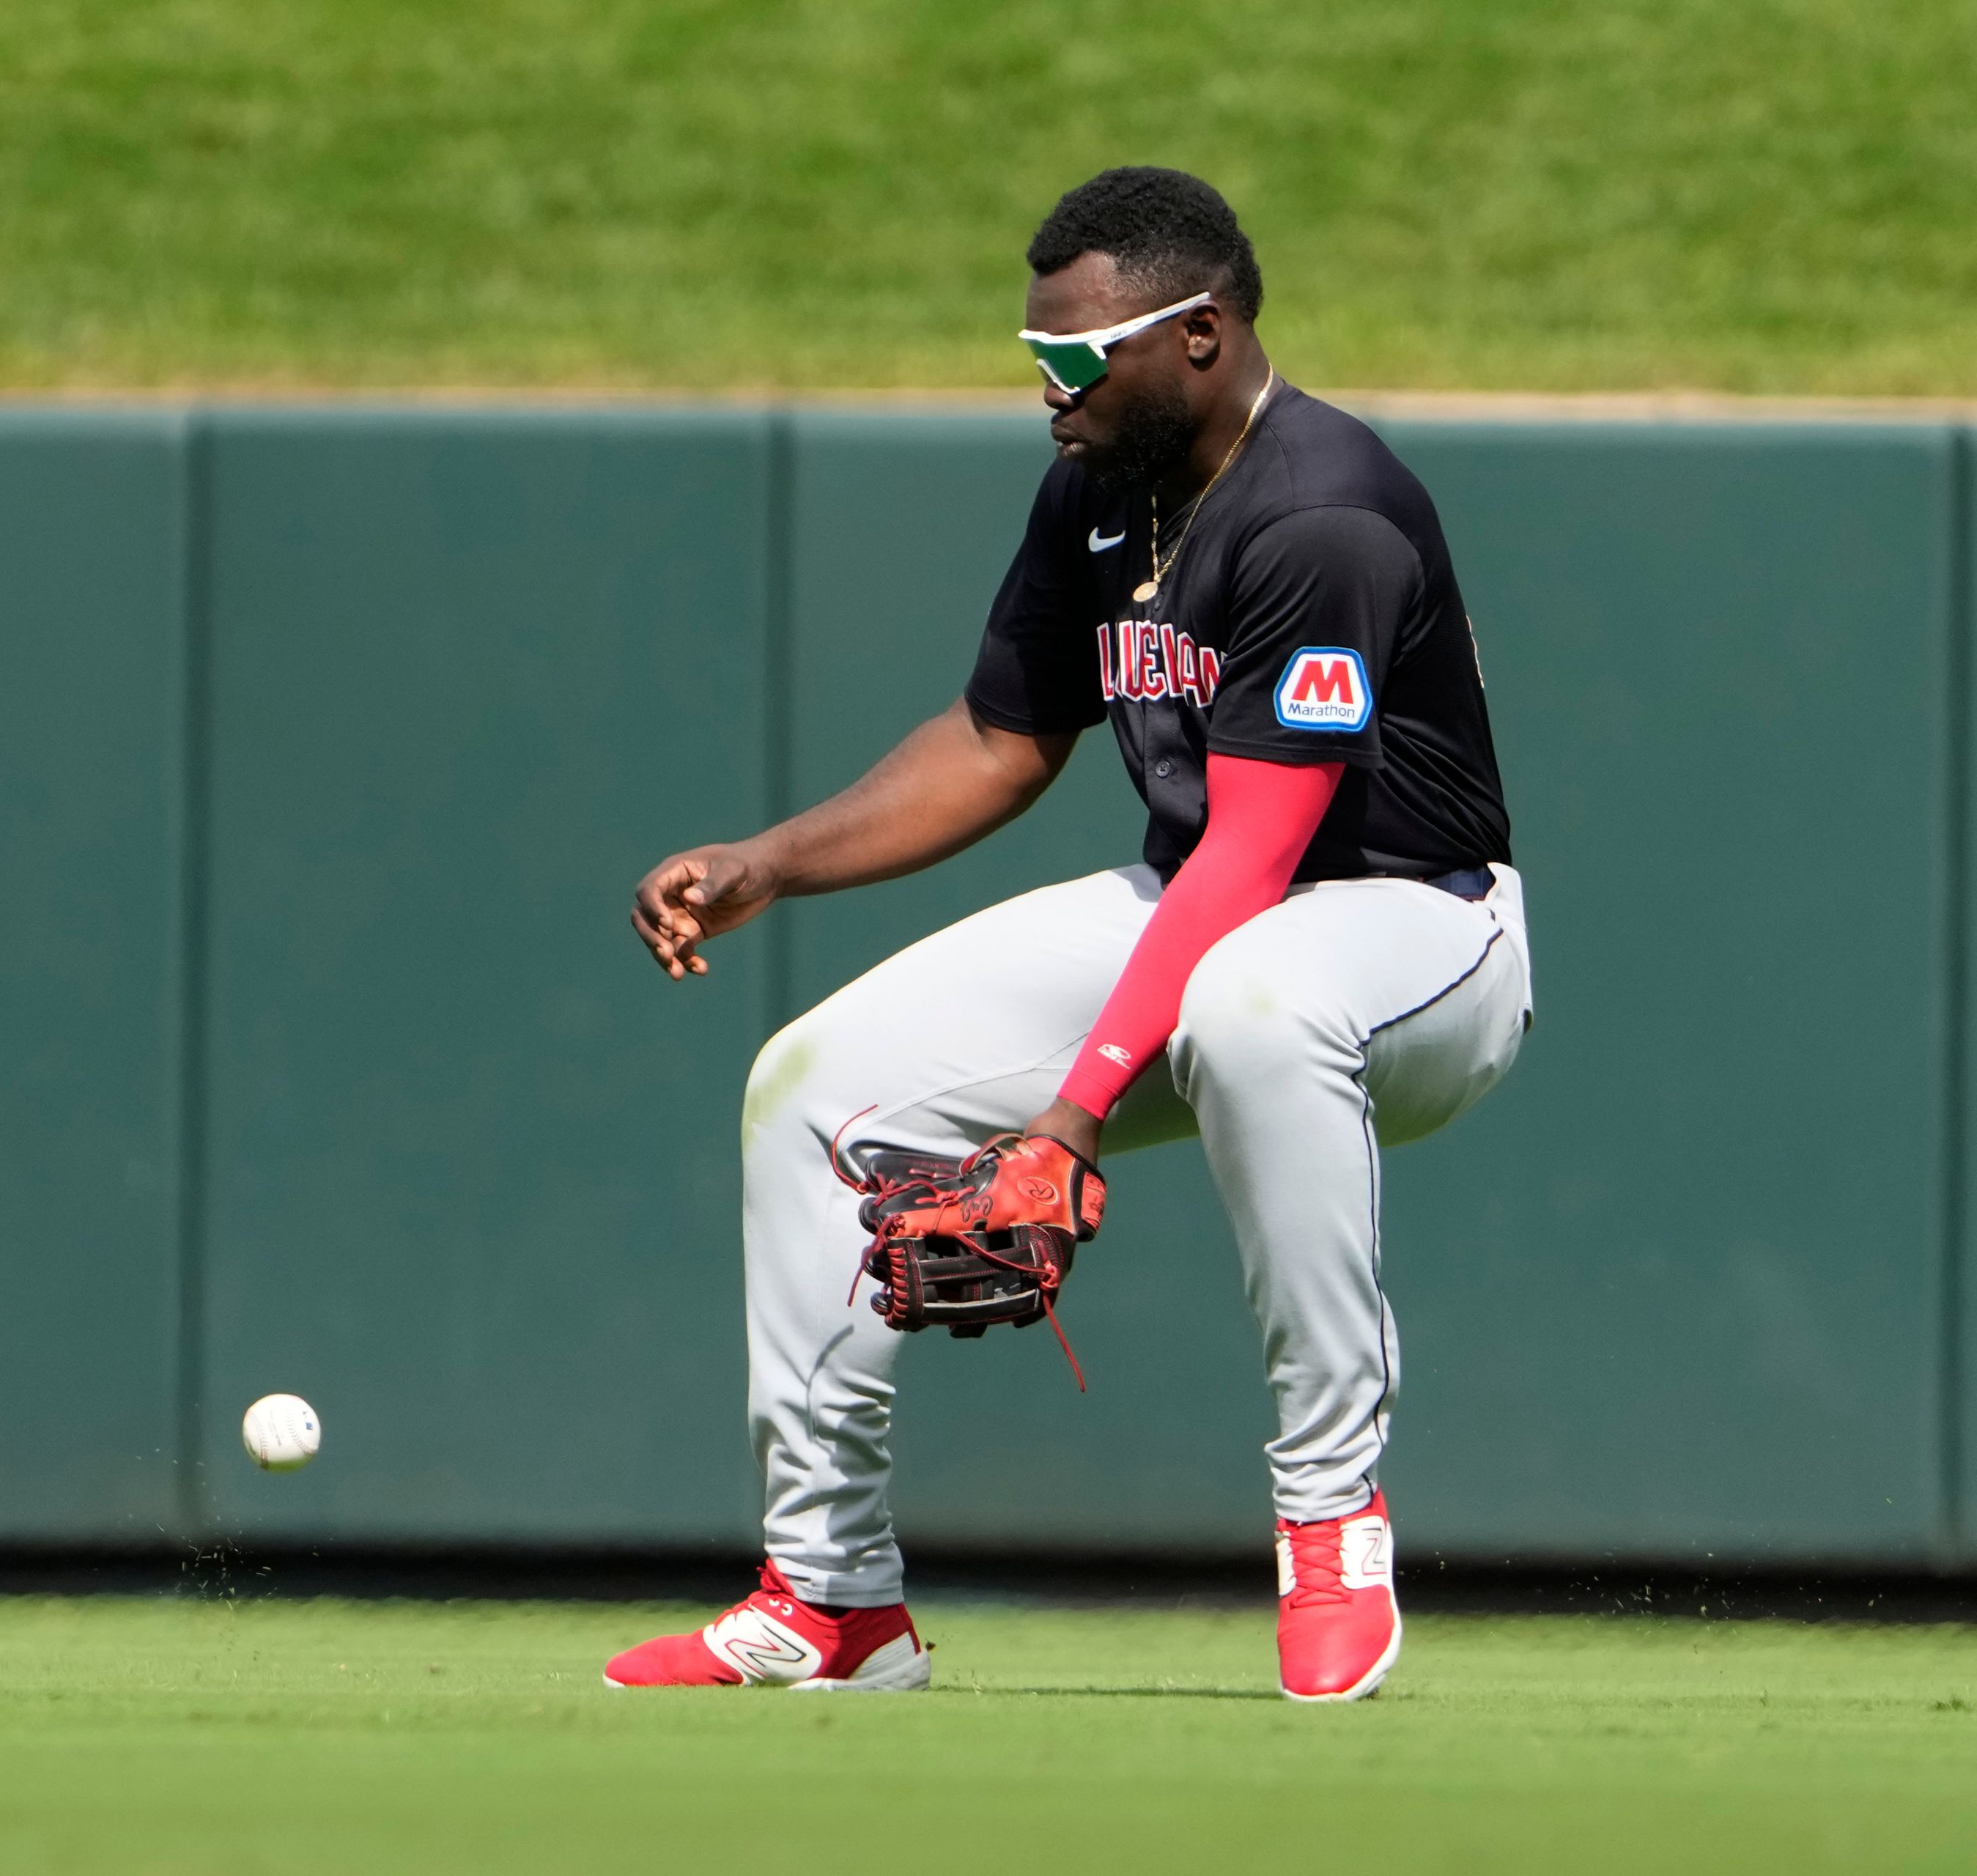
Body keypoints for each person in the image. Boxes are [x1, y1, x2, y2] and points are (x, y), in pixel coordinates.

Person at [609, 167, 1529, 1701]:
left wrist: (1070, 1115)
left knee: (1254, 1001)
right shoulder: (1100, 484)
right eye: (1037, 355)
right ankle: (831, 1597)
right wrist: (775, 860)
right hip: (1207, 914)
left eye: (1079, 359)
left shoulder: (1326, 511)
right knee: (813, 1079)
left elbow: (1259, 845)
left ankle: (1329, 1518)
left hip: (1417, 939)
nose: (1050, 388)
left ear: (1203, 337)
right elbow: (998, 735)